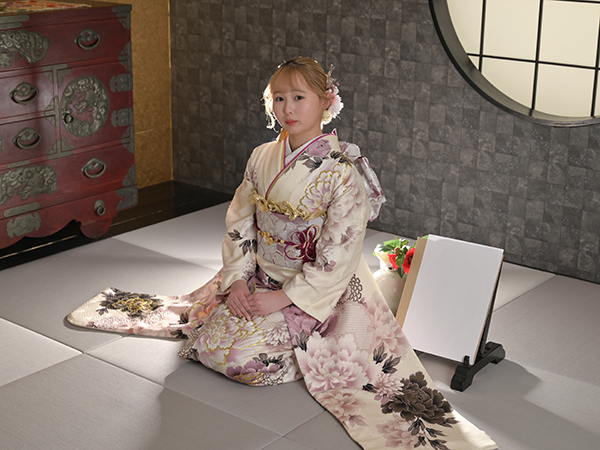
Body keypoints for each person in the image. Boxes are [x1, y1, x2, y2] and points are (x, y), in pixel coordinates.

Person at [68, 57, 497, 450]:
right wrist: (238, 279)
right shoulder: (262, 157)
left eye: (298, 97)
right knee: (207, 343)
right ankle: (264, 326)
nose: (287, 108)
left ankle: (305, 351)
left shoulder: (343, 172)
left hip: (317, 291)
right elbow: (240, 222)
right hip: (258, 274)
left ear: (326, 101)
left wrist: (283, 298)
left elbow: (339, 252)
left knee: (241, 361)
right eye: (278, 98)